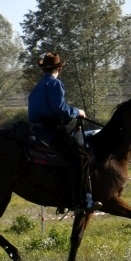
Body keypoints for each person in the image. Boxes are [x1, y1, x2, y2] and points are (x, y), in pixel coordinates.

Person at [28, 52, 100, 214]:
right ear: (59, 69)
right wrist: (78, 112)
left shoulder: (37, 87)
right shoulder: (55, 84)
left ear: (43, 70)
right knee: (81, 157)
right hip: (52, 129)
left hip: (37, 129)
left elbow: (33, 112)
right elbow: (59, 108)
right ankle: (80, 201)